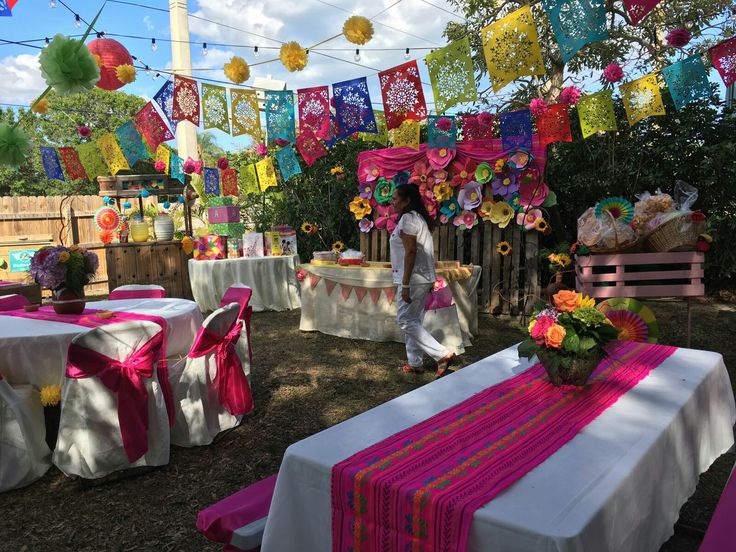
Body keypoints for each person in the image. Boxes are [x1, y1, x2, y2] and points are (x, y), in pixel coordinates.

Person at [390, 184, 456, 377]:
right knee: (413, 319)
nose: (392, 202)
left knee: (404, 320)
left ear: (407, 201)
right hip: (421, 277)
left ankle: (442, 354)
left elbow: (410, 252)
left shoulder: (408, 219)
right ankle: (415, 362)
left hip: (414, 278)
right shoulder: (417, 218)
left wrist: (405, 284)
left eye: (395, 199)